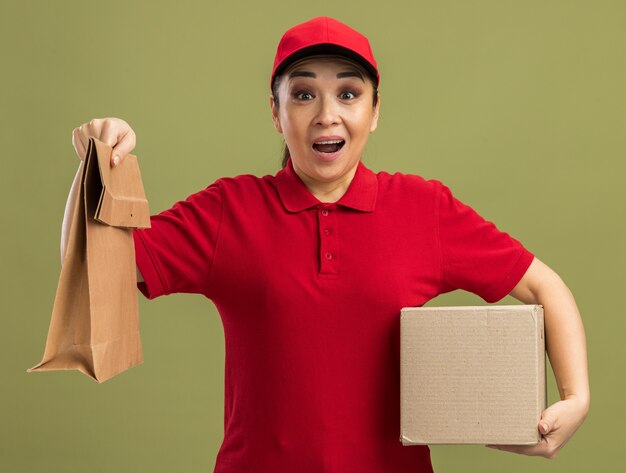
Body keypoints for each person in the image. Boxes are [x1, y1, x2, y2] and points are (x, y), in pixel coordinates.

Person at [66, 16, 589, 473]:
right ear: (276, 113)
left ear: (375, 111)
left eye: (348, 92)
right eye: (302, 93)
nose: (326, 114)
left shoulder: (423, 208)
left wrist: (576, 397)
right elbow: (94, 268)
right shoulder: (231, 210)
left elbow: (544, 285)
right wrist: (97, 161)